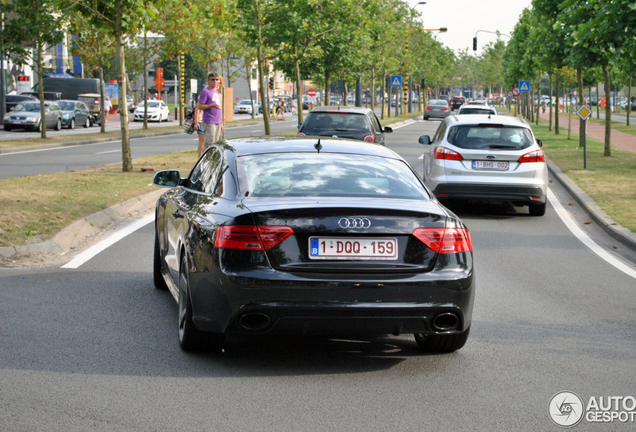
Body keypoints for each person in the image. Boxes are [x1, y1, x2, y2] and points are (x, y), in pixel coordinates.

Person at [196, 72, 224, 153]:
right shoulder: (206, 91)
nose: (215, 81)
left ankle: (213, 162)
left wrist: (221, 123)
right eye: (212, 80)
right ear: (208, 81)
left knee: (216, 144)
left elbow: (220, 108)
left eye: (216, 79)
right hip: (209, 121)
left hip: (217, 121)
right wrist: (212, 106)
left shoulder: (216, 91)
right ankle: (206, 162)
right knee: (209, 144)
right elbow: (200, 106)